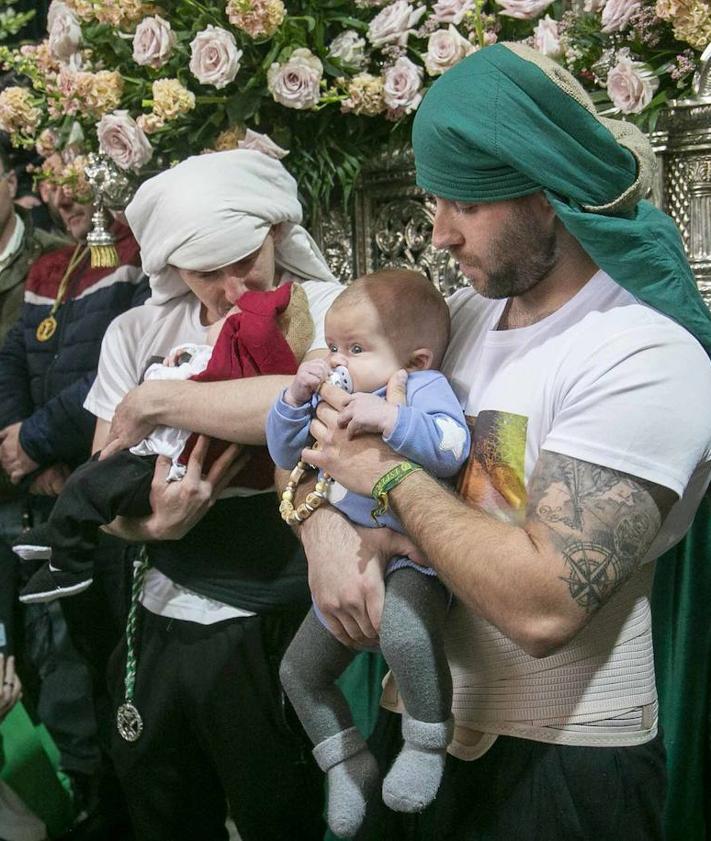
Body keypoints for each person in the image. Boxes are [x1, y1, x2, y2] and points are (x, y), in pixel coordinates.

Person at [297, 44, 711, 840]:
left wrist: (384, 477)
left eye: (465, 204)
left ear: (546, 194)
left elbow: (542, 605)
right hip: (416, 735)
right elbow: (312, 409)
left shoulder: (642, 352)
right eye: (432, 203)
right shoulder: (463, 313)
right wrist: (318, 523)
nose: (439, 234)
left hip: (562, 767)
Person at [84, 147, 344, 841]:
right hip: (160, 601)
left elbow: (291, 403)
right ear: (171, 267)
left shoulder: (327, 308)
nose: (232, 289)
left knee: (279, 809)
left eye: (245, 261)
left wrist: (156, 400)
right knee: (162, 800)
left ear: (277, 234)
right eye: (206, 272)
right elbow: (99, 485)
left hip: (278, 606)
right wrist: (153, 530)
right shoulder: (135, 330)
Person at [270, 269, 470, 837]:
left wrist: (393, 419)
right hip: (353, 551)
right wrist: (292, 398)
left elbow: (452, 448)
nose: (338, 361)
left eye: (356, 349)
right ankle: (345, 761)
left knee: (405, 630)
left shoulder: (418, 390)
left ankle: (427, 739)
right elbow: (286, 452)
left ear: (418, 360)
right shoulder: (334, 394)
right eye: (333, 347)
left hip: (413, 554)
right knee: (299, 671)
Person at [0, 156, 147, 822]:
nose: (63, 191)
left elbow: (109, 377)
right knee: (44, 651)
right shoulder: (48, 271)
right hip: (32, 488)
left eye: (80, 173)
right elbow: (10, 356)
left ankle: (105, 794)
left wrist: (39, 444)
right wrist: (18, 438)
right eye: (53, 175)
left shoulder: (138, 258)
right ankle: (73, 791)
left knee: (99, 653)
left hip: (96, 492)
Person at [15, 280, 313, 603]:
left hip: (169, 467)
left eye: (234, 319)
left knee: (91, 487)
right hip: (152, 458)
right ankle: (64, 530)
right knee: (91, 474)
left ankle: (69, 566)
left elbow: (210, 386)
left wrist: (159, 396)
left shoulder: (236, 370)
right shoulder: (147, 330)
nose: (229, 294)